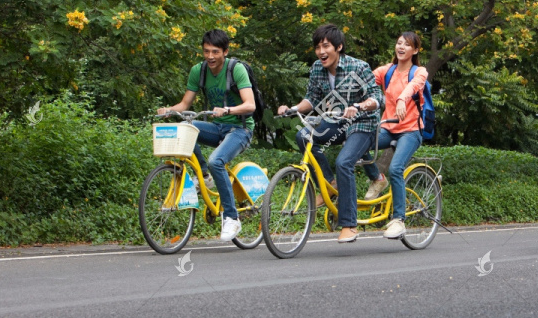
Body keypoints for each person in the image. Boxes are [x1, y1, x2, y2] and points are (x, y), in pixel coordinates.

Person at [277, 24, 384, 243]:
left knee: (344, 162)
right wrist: (293, 109)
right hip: (337, 121)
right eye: (317, 47)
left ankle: (349, 224)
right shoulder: (318, 68)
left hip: (363, 123)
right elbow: (312, 99)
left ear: (339, 47)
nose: (321, 52)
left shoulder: (358, 67)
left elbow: (378, 97)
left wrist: (361, 106)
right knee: (303, 136)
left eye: (326, 46)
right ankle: (329, 183)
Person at [157, 29, 255, 241]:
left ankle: (231, 218)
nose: (210, 56)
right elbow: (185, 104)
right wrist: (168, 110)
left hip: (240, 128)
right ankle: (205, 176)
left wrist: (227, 110)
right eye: (206, 51)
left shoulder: (236, 70)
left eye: (215, 52)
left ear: (225, 52)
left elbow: (250, 104)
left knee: (216, 160)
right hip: (217, 126)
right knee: (186, 126)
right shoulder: (198, 70)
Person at [364, 31, 429, 239]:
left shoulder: (419, 72)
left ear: (415, 50)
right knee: (358, 142)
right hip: (388, 127)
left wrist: (402, 99)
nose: (401, 47)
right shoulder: (387, 71)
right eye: (399, 43)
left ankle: (398, 220)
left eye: (407, 45)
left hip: (410, 131)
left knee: (396, 168)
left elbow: (414, 86)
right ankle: (376, 178)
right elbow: (364, 80)